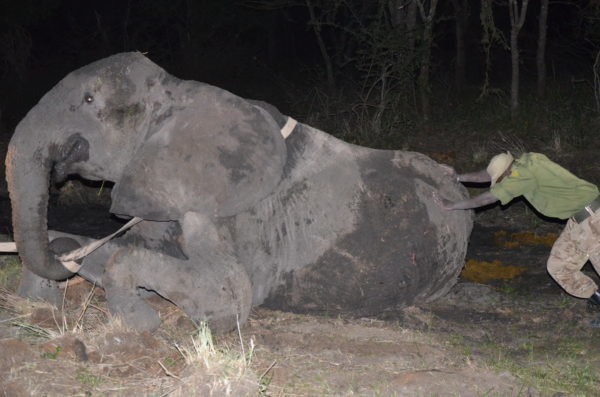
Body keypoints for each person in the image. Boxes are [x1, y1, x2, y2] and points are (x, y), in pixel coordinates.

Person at [436, 151, 600, 328]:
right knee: (560, 267)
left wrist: (451, 205)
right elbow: (490, 173)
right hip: (577, 222)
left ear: (508, 172)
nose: (499, 183)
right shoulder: (525, 162)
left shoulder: (522, 176)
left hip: (594, 219)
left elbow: (489, 198)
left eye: (501, 180)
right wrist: (458, 177)